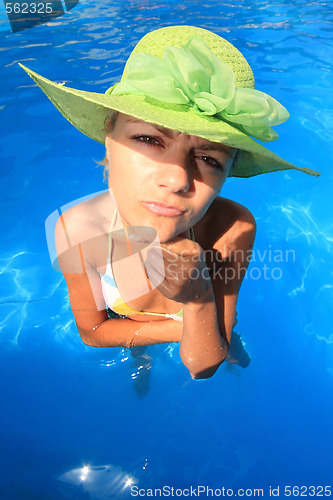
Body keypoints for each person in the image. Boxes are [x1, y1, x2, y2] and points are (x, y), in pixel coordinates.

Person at [19, 26, 319, 380]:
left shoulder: (233, 228)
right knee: (160, 346)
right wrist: (192, 327)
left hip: (194, 321)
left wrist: (199, 299)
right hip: (139, 324)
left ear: (227, 173)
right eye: (148, 138)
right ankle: (145, 357)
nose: (177, 180)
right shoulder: (77, 228)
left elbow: (203, 365)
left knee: (233, 360)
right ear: (108, 137)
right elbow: (94, 331)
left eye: (209, 159)